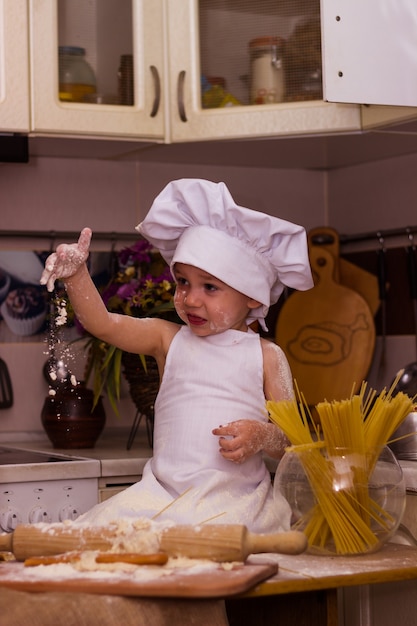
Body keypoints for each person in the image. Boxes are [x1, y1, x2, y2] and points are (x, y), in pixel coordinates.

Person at [41, 178, 313, 533]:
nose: (190, 299)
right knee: (95, 537)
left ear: (254, 298)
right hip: (159, 498)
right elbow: (103, 324)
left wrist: (263, 436)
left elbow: (295, 444)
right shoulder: (167, 339)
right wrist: (77, 275)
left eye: (210, 287)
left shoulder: (266, 356)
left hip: (238, 506)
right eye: (183, 282)